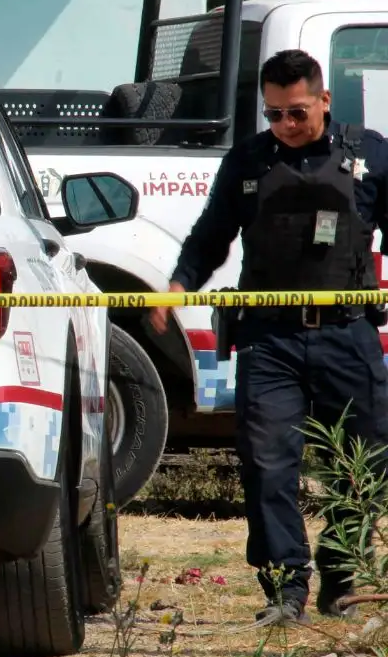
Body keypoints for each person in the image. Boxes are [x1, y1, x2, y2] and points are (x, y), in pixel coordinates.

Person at [151, 49, 388, 625]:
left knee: (366, 462)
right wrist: (179, 284)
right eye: (274, 114)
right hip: (270, 339)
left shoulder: (369, 154)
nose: (286, 124)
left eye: (297, 112)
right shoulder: (249, 160)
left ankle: (341, 574)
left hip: (347, 334)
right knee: (267, 463)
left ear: (324, 100)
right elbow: (211, 236)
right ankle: (285, 591)